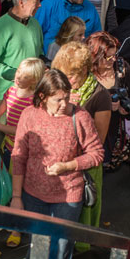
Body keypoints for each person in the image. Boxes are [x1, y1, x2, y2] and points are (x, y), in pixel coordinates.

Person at [10, 69, 105, 259]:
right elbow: (19, 156)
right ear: (42, 96)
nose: (65, 104)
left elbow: (97, 153)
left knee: (61, 250)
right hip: (33, 195)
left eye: (67, 97)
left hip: (68, 196)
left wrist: (70, 165)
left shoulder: (80, 116)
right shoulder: (29, 115)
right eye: (58, 99)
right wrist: (17, 196)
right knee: (36, 247)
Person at [0, 57, 45, 248]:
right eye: (18, 72)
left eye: (23, 76)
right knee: (9, 186)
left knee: (20, 192)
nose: (17, 77)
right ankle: (13, 221)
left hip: (25, 152)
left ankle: (16, 229)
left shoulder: (35, 102)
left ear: (34, 80)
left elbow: (22, 131)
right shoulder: (11, 90)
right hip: (8, 147)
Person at [51, 42, 111, 242]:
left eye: (71, 76)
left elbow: (98, 141)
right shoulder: (60, 88)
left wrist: (75, 111)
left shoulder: (100, 95)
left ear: (84, 70)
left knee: (82, 215)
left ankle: (81, 250)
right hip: (58, 161)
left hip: (83, 167)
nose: (66, 81)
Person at [89, 31, 130, 172]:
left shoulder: (121, 67)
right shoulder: (85, 73)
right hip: (92, 130)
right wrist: (105, 106)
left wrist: (124, 108)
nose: (113, 60)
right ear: (95, 56)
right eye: (107, 57)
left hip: (114, 131)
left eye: (114, 55)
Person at [34, 0, 101, 54]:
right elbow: (35, 36)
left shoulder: (90, 8)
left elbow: (97, 38)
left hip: (80, 60)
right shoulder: (48, 5)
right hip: (52, 60)